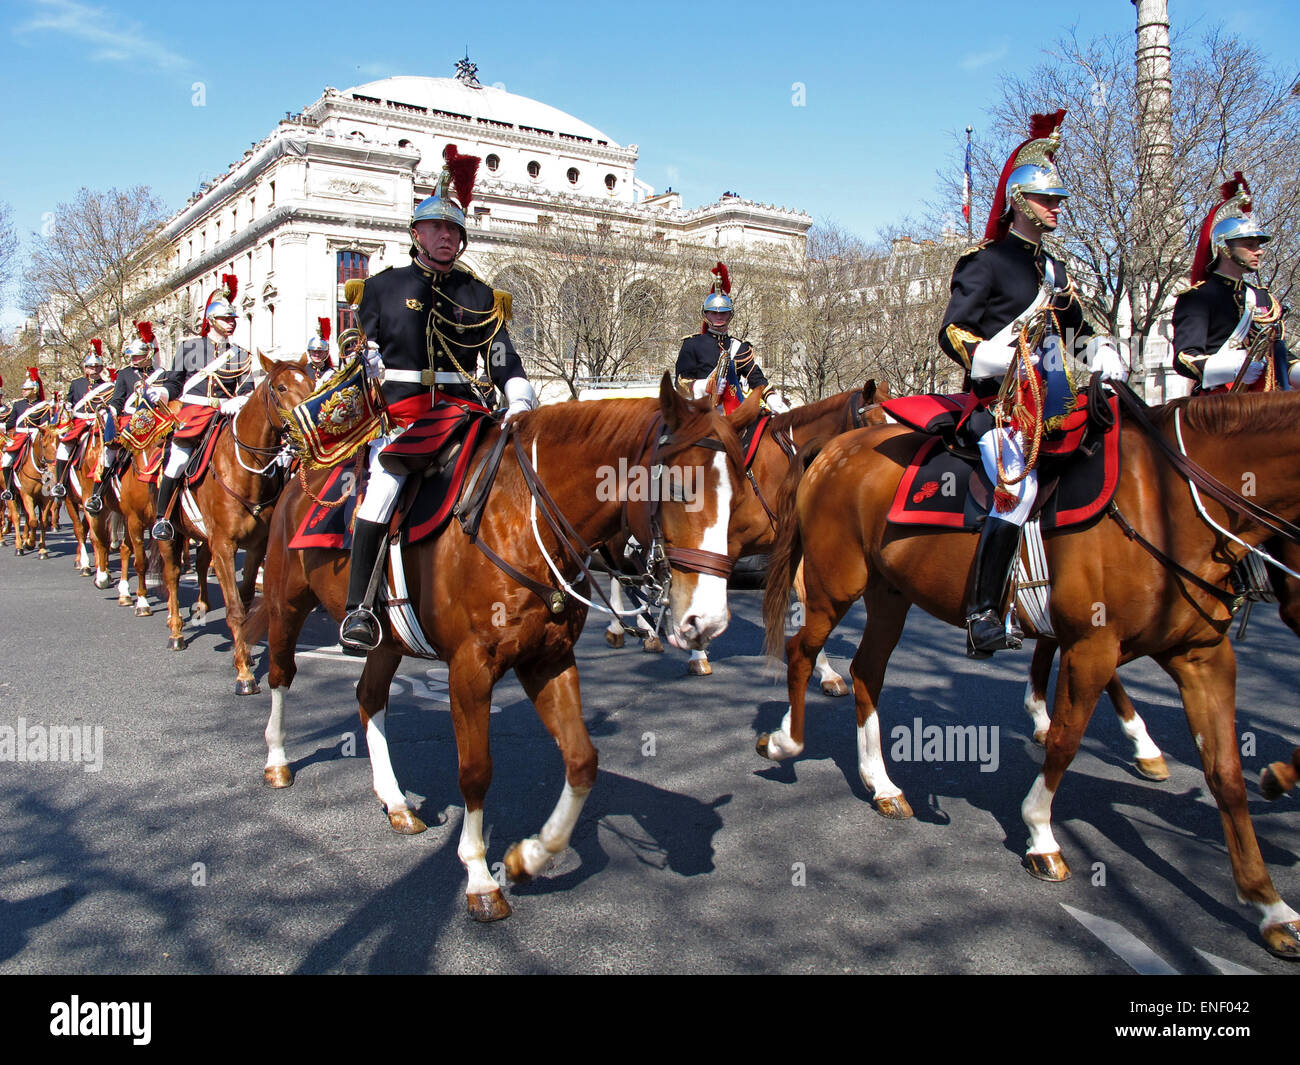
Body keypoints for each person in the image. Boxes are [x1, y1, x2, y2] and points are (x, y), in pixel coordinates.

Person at [938, 110, 1126, 658]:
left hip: (1061, 404)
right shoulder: (987, 262)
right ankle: (981, 612)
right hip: (1002, 409)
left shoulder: (1060, 273)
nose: (1057, 207)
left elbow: (1081, 333)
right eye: (1049, 200)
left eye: (1059, 200)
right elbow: (951, 332)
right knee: (1016, 495)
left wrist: (1106, 360)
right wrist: (991, 357)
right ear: (1020, 202)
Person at [338, 144, 535, 653]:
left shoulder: (480, 294)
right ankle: (359, 606)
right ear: (416, 234)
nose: (447, 237)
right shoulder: (382, 287)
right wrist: (367, 358)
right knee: (384, 486)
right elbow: (355, 344)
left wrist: (517, 396)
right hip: (404, 414)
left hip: (464, 411)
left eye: (455, 231)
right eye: (437, 230)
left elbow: (500, 357)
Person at [151, 276, 257, 541]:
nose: (231, 323)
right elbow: (175, 383)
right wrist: (163, 391)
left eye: (233, 319)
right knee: (177, 460)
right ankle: (162, 518)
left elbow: (247, 390)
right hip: (194, 414)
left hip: (226, 415)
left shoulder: (242, 355)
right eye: (225, 319)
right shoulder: (189, 348)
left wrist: (239, 401)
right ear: (211, 321)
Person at [1173, 172, 1292, 393]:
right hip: (1221, 401)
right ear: (1224, 248)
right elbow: (1184, 357)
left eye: (1258, 244)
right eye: (1249, 244)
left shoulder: (1262, 298)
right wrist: (1232, 367)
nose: (1259, 251)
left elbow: (1278, 354)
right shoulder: (1199, 297)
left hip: (1265, 398)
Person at [675, 262, 789, 413]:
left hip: (734, 410)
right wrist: (706, 386)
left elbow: (756, 378)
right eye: (714, 313)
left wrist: (772, 399)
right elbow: (681, 383)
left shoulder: (740, 348)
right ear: (706, 314)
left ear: (730, 314)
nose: (719, 317)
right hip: (701, 412)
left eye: (723, 313)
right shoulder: (692, 344)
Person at [86, 321, 164, 515]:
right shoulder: (125, 374)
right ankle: (97, 494)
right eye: (132, 356)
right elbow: (118, 399)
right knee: (109, 452)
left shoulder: (161, 374)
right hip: (130, 420)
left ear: (148, 354)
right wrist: (110, 411)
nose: (134, 359)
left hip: (156, 421)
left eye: (138, 355)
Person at [53, 340, 113, 498]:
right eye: (91, 367)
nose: (93, 369)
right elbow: (71, 404)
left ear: (101, 368)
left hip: (100, 422)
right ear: (85, 368)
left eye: (97, 367)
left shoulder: (108, 386)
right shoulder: (76, 384)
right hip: (81, 422)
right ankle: (60, 483)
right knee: (63, 449)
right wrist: (65, 409)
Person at [2, 369, 53, 502]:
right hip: (19, 437)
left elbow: (44, 425)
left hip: (35, 437)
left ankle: (51, 487)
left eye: (26, 389)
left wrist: (35, 433)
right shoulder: (18, 405)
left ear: (34, 390)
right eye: (23, 389)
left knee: (49, 459)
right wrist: (2, 427)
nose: (23, 391)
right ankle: (9, 489)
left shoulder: (43, 406)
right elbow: (12, 422)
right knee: (6, 461)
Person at [306, 316, 337, 385]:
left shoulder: (333, 374)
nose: (317, 354)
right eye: (314, 351)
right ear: (309, 352)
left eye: (320, 352)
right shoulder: (303, 371)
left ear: (326, 353)